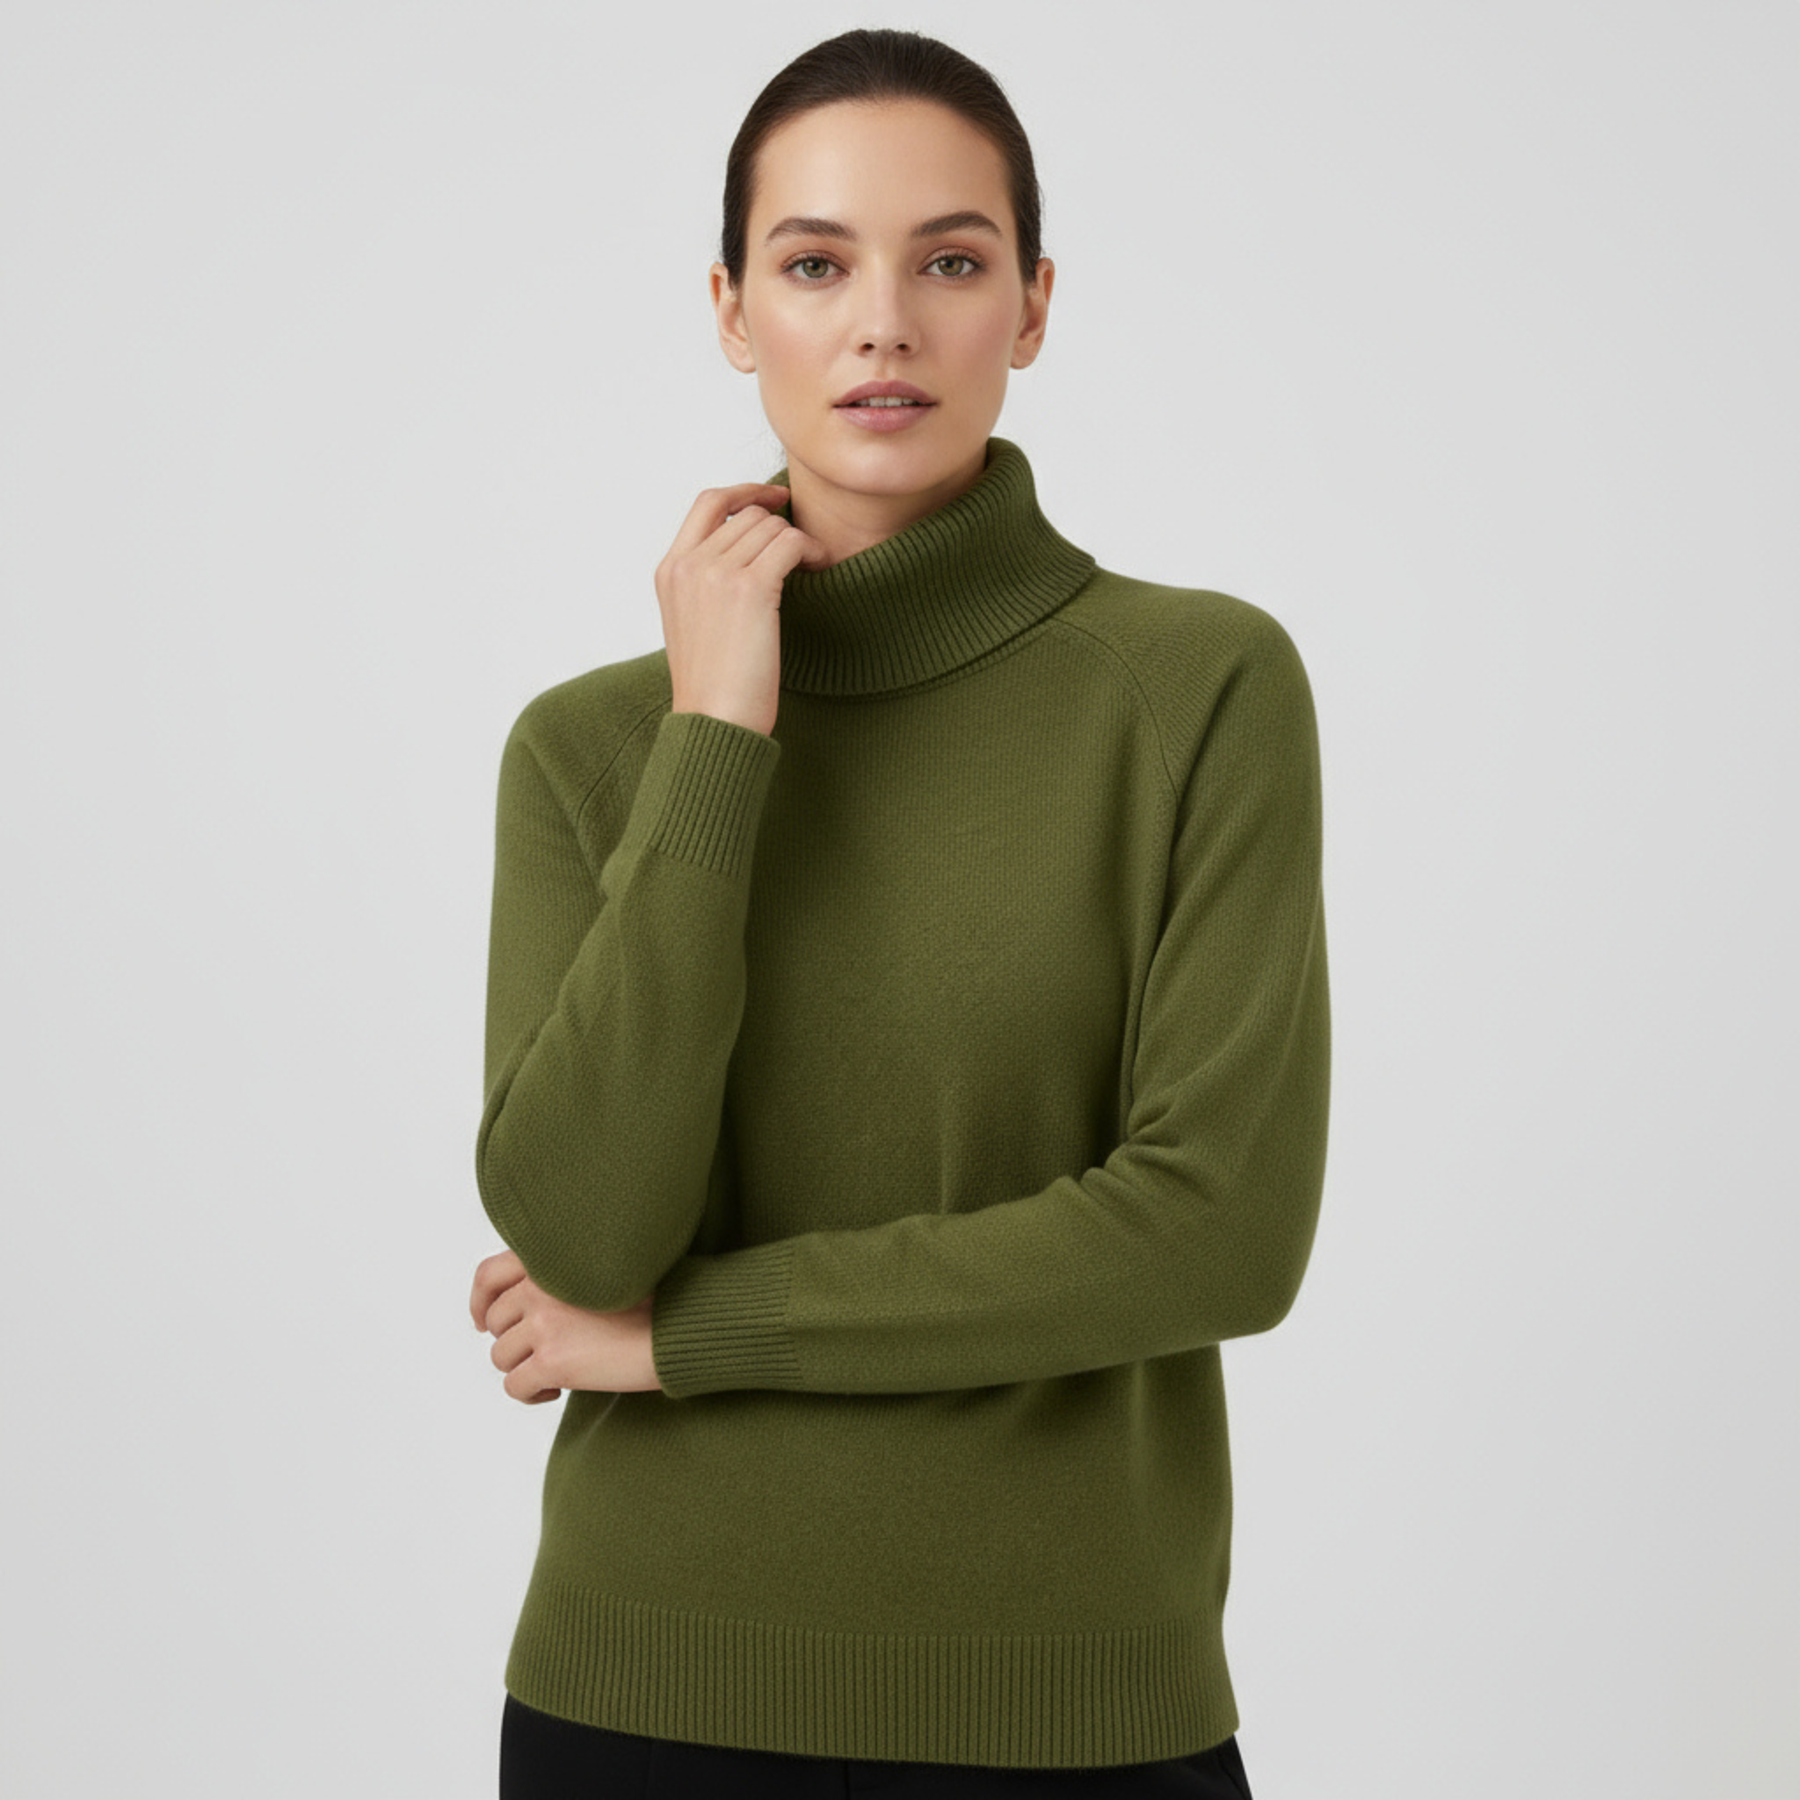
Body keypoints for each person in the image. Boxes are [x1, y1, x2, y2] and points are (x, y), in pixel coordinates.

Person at [468, 26, 1327, 1799]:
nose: (883, 326)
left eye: (949, 262)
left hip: (1076, 1712)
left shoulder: (1198, 688)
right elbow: (581, 1235)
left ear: (1031, 306)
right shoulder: (595, 749)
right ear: (731, 311)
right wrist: (717, 739)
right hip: (642, 1702)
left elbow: (1219, 1233)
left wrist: (690, 1339)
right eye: (814, 265)